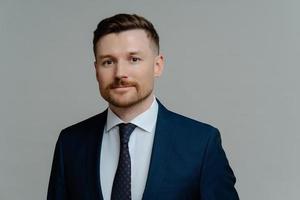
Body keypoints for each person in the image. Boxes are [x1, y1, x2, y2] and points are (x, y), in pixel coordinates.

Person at [47, 13, 239, 200]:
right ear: (96, 71)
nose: (120, 73)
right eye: (108, 62)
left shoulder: (201, 143)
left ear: (157, 66)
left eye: (134, 59)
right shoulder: (70, 144)